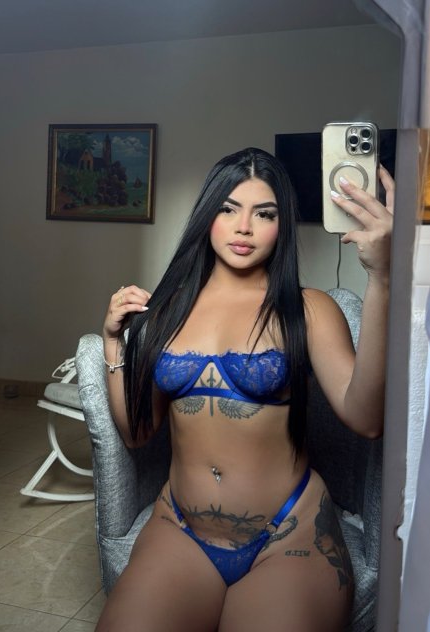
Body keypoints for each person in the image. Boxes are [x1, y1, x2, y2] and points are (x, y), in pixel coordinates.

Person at [98, 147, 393, 632]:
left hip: (288, 536)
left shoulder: (308, 310)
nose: (244, 227)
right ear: (207, 216)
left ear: (282, 225)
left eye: (264, 214)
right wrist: (114, 342)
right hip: (181, 530)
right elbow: (136, 433)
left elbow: (367, 419)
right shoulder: (167, 311)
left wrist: (381, 277)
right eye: (229, 208)